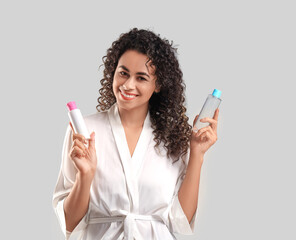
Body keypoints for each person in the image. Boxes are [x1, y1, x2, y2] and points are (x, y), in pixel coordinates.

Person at [52, 28, 219, 240]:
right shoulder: (84, 130)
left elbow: (180, 221)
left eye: (141, 78)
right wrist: (85, 175)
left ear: (158, 85)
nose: (128, 85)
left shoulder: (172, 138)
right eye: (123, 73)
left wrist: (197, 153)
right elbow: (69, 224)